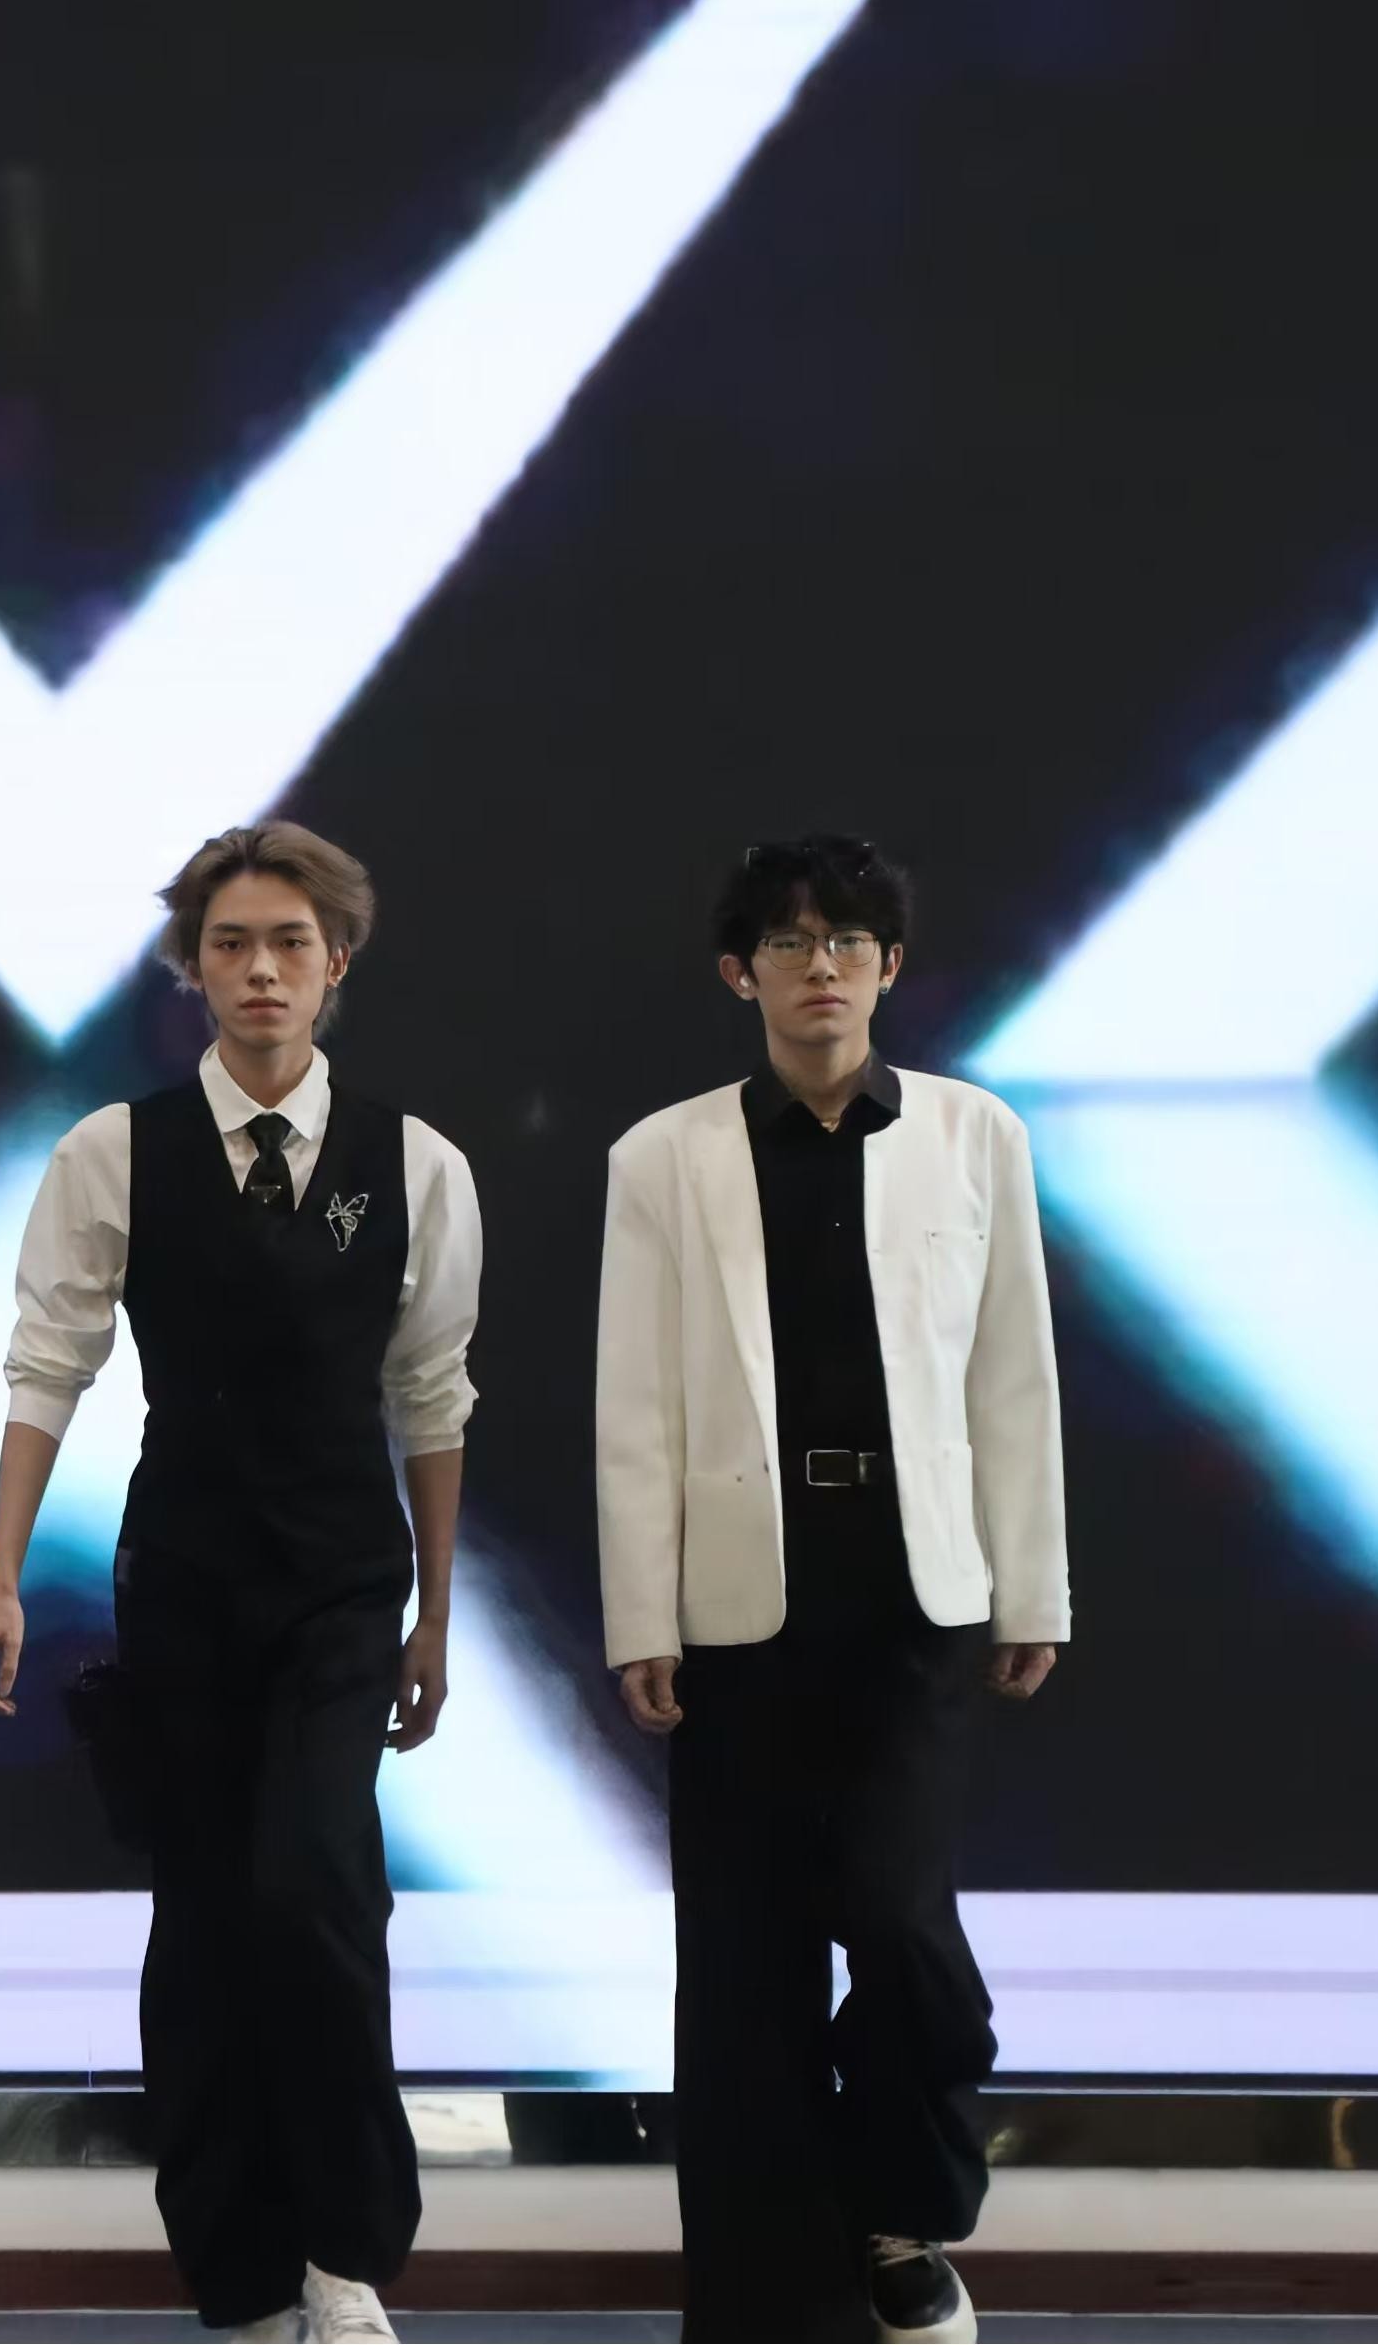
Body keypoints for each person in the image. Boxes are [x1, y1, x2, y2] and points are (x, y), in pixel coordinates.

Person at [0, 822, 484, 2345]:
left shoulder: (418, 1164)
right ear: (191, 969)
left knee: (315, 1892)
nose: (262, 970)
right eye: (232, 944)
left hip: (343, 1587)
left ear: (337, 962)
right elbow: (47, 1364)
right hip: (183, 1582)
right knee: (202, 1921)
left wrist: (436, 1613)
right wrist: (3, 1576)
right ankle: (241, 2277)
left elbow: (433, 1396)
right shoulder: (111, 1152)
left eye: (290, 942)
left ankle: (346, 2255)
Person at [593, 835, 1069, 2345]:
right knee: (745, 1961)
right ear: (741, 972)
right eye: (791, 943)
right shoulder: (664, 1155)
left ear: (889, 967)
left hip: (914, 1591)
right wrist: (641, 1612)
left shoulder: (974, 1134)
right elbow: (636, 1405)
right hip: (738, 1603)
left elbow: (1013, 1372)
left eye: (849, 941)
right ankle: (762, 2298)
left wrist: (1034, 1584)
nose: (822, 967)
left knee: (899, 1919)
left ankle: (898, 2211)